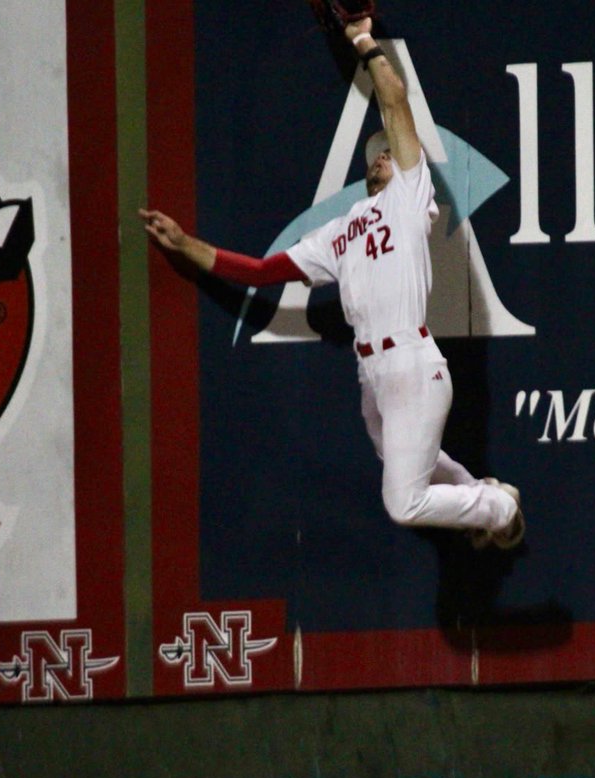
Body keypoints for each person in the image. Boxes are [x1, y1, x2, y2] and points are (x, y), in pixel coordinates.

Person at [139, 15, 523, 549]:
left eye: (390, 151)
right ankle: (478, 493)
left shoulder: (411, 196)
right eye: (380, 153)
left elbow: (394, 101)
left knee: (403, 502)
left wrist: (362, 39)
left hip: (412, 360)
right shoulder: (338, 232)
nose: (384, 153)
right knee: (408, 459)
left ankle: (499, 507)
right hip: (372, 373)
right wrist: (186, 245)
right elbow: (260, 271)